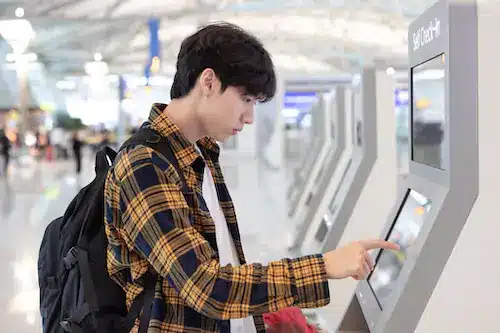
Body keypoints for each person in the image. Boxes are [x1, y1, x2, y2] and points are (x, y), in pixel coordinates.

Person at [104, 22, 399, 333]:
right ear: (208, 82)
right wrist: (324, 267)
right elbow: (205, 285)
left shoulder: (201, 153)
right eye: (246, 99)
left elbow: (223, 267)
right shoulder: (145, 165)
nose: (250, 117)